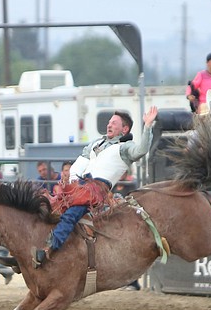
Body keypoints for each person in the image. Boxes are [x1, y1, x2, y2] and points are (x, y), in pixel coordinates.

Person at [21, 107, 158, 268]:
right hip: (78, 186)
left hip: (95, 191)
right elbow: (82, 161)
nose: (109, 125)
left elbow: (141, 150)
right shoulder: (97, 143)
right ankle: (23, 252)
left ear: (124, 129)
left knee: (71, 214)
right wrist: (69, 182)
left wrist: (147, 126)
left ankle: (48, 249)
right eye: (109, 122)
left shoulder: (125, 147)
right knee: (45, 206)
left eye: (114, 123)